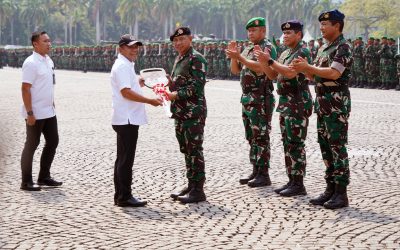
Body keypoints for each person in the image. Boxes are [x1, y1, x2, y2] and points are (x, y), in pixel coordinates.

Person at [291, 9, 353, 209]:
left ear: (337, 26)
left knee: (337, 146)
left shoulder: (343, 47)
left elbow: (334, 73)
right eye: (321, 24)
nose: (322, 28)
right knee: (325, 147)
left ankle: (341, 193)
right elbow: (315, 75)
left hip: (336, 101)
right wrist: (305, 69)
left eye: (326, 24)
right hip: (322, 101)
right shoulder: (324, 48)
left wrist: (308, 67)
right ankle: (330, 188)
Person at [255, 20, 313, 197]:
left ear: (299, 35)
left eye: (290, 33)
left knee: (296, 144)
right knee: (288, 144)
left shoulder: (302, 51)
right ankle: (292, 180)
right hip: (286, 103)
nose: (285, 36)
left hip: (297, 102)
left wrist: (270, 60)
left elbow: (289, 72)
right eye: (284, 33)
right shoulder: (286, 52)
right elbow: (273, 74)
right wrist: (263, 62)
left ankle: (299, 183)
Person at [110, 34, 162, 207]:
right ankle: (124, 197)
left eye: (136, 47)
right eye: (130, 47)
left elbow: (127, 87)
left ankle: (120, 195)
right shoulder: (123, 66)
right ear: (121, 48)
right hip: (127, 119)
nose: (134, 50)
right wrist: (149, 101)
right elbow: (125, 92)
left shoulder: (126, 65)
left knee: (122, 158)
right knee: (126, 160)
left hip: (125, 118)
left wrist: (137, 82)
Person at [226, 17, 277, 188]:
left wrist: (239, 56)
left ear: (263, 31)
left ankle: (264, 174)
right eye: (248, 30)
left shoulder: (267, 47)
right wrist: (235, 57)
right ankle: (256, 170)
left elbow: (260, 68)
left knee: (261, 136)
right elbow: (235, 70)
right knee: (251, 136)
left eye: (254, 30)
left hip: (261, 97)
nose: (250, 33)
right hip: (247, 97)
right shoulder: (248, 48)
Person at [166, 27, 208, 204]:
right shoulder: (180, 58)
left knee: (194, 150)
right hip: (180, 111)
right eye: (175, 41)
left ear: (190, 39)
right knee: (186, 149)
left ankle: (198, 190)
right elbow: (180, 84)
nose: (178, 43)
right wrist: (169, 84)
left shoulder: (196, 58)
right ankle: (191, 185)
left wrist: (176, 95)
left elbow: (197, 87)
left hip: (193, 112)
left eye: (181, 39)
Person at [20, 31, 62, 191]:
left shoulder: (48, 60)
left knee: (53, 142)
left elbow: (49, 85)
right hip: (35, 113)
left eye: (49, 41)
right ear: (35, 44)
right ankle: (26, 181)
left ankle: (44, 176)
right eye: (45, 41)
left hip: (49, 111)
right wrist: (30, 113)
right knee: (31, 145)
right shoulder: (31, 63)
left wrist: (52, 103)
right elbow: (25, 89)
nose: (49, 43)